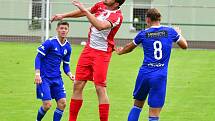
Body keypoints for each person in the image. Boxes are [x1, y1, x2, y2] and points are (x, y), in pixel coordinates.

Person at [51, 0, 125, 121]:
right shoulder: (101, 4)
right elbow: (86, 12)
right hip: (88, 50)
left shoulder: (117, 16)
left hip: (102, 53)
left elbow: (100, 26)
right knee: (78, 84)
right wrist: (63, 15)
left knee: (100, 88)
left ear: (116, 3)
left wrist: (85, 11)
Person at [115, 8, 188, 121]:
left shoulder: (143, 34)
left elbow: (129, 47)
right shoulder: (170, 31)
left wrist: (120, 52)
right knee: (154, 114)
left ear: (147, 19)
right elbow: (184, 46)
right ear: (160, 18)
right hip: (159, 76)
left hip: (144, 74)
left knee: (137, 105)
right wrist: (179, 34)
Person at [34, 21, 75, 121]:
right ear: (57, 29)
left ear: (68, 30)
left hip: (57, 79)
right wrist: (37, 74)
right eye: (61, 28)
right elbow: (38, 58)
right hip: (44, 78)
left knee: (62, 103)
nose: (63, 30)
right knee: (47, 105)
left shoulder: (68, 47)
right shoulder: (50, 42)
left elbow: (66, 65)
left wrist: (70, 74)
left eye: (65, 28)